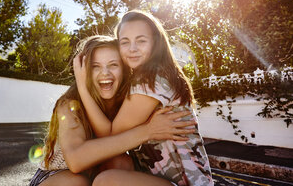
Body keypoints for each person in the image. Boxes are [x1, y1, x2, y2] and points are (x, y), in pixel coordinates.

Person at [30, 35, 196, 186]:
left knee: (121, 163)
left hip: (94, 176)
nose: (105, 73)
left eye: (113, 65)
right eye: (96, 66)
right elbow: (75, 161)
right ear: (84, 71)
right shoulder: (70, 104)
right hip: (55, 177)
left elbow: (111, 139)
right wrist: (148, 131)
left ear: (124, 69)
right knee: (75, 183)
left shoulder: (129, 101)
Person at [74, 11, 213, 186]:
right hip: (160, 178)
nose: (132, 48)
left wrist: (82, 85)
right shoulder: (150, 76)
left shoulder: (152, 79)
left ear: (155, 42)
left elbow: (109, 136)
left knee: (106, 181)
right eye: (125, 42)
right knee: (113, 163)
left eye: (141, 41)